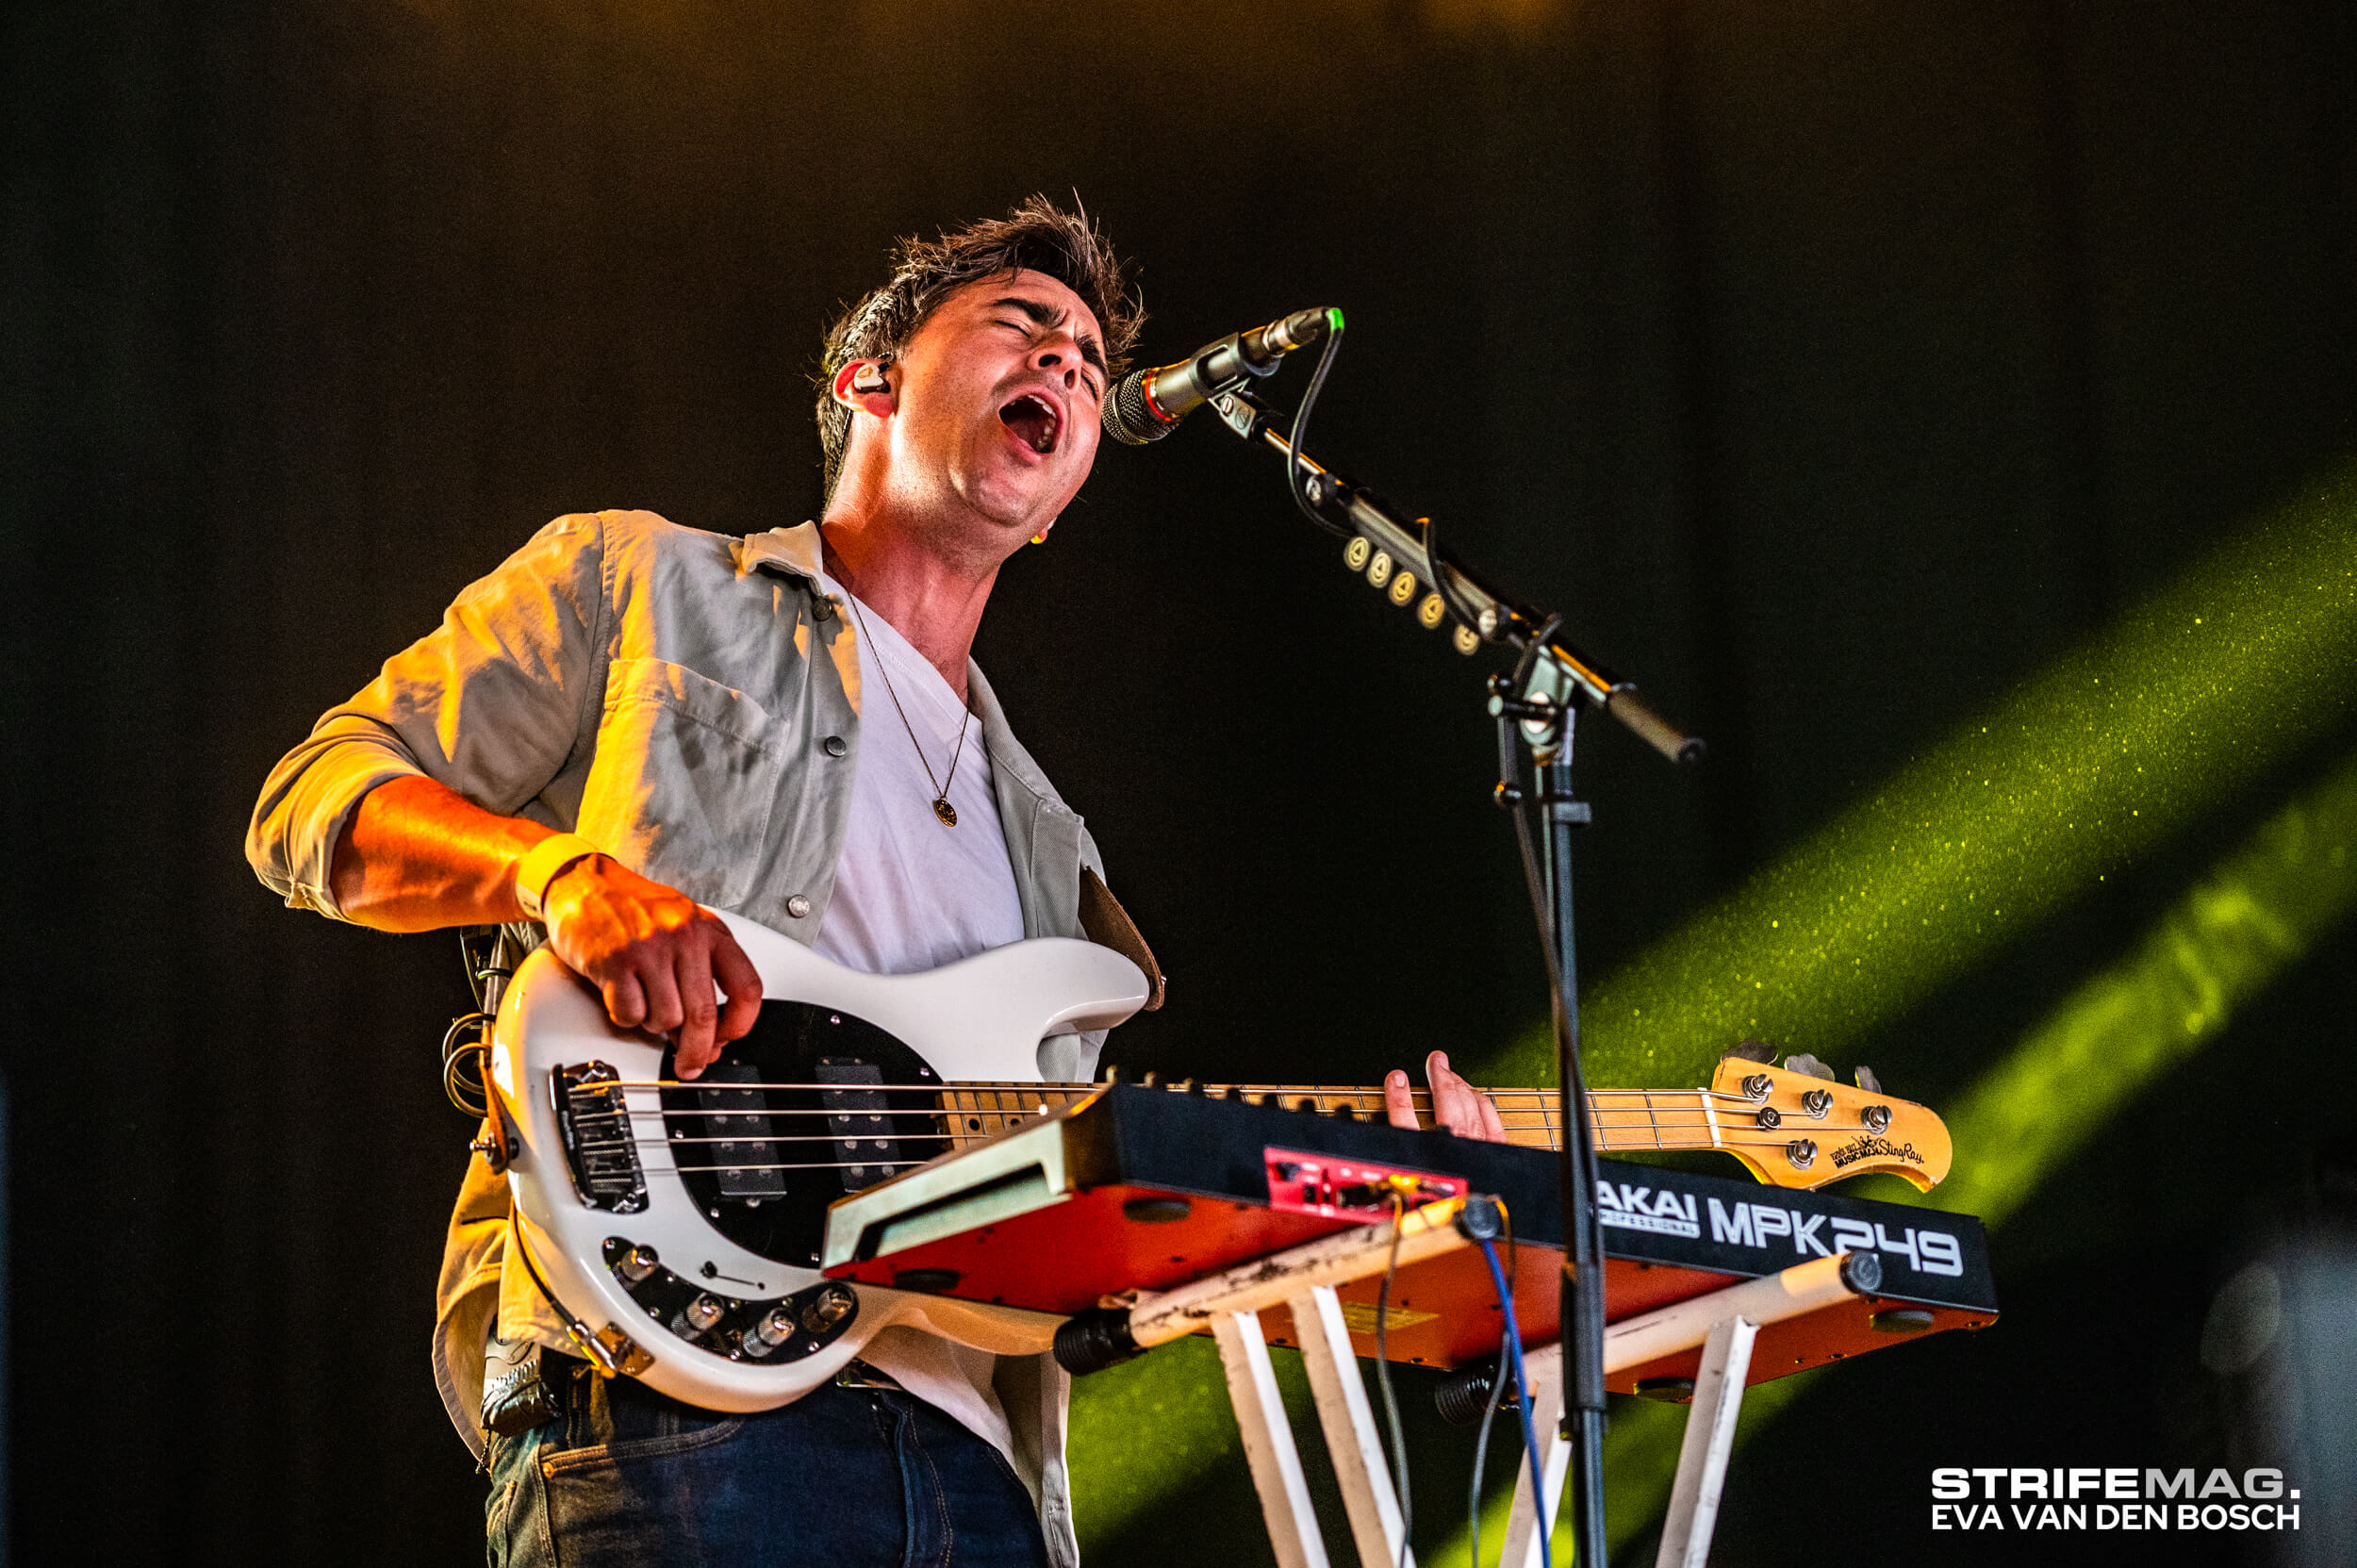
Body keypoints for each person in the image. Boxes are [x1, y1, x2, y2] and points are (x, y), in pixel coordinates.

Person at [246, 196, 1504, 1568]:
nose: (1070, 363)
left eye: (1092, 364)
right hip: (674, 1406)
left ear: (1062, 500)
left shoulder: (1053, 843)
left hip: (982, 1475)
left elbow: (1079, 1214)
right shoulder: (641, 580)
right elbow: (312, 802)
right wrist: (561, 876)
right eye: (1023, 325)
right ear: (870, 382)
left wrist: (1391, 1192)